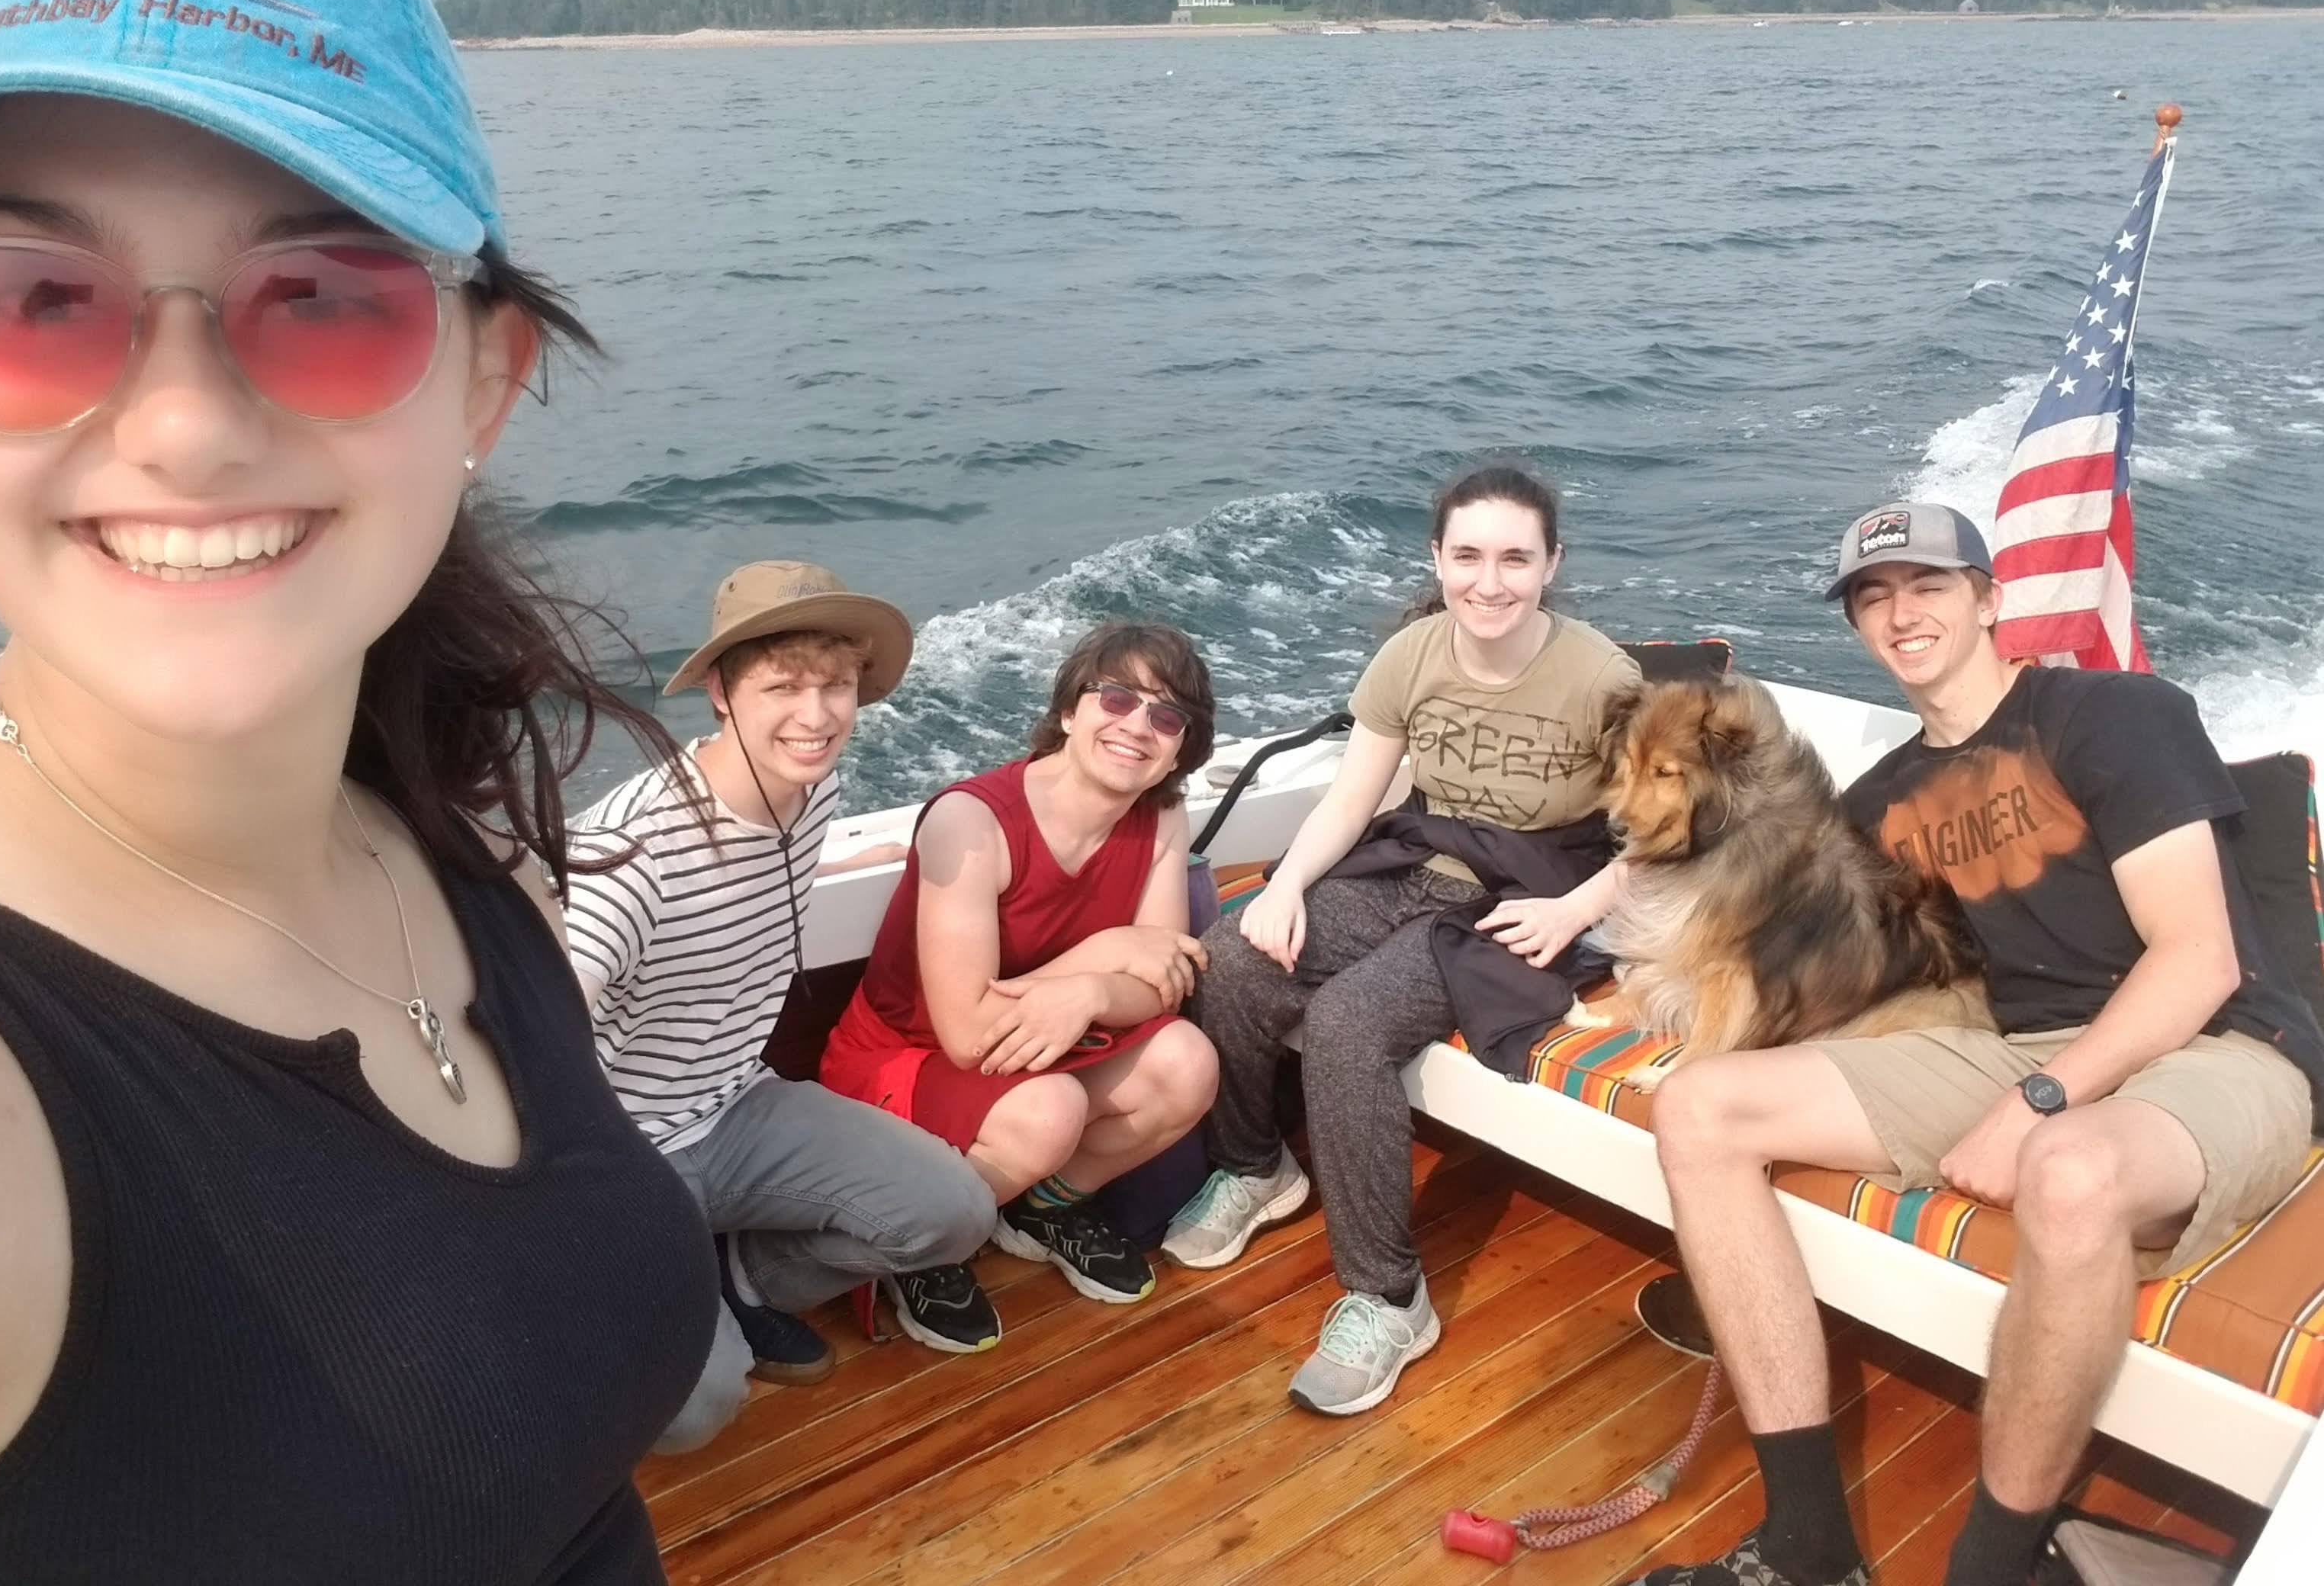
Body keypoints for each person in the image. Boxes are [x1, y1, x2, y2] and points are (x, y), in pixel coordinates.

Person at [0, 0, 719, 1583]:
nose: (179, 426)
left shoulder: (457, 862)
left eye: (324, 295)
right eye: (29, 298)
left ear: (485, 376)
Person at [1625, 502, 2324, 1586]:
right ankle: (1808, 1547)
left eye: (1927, 585)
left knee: (2073, 1167)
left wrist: (2040, 1100)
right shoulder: (1885, 798)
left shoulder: (2114, 715)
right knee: (1698, 1111)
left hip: (2222, 1042)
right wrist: (1591, 906)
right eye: (1873, 595)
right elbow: (1740, 864)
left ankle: (1988, 1569)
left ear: (1991, 599)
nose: (1899, 612)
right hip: (2020, 1043)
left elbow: (2199, 959)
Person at [1165, 464, 1641, 1416]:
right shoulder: (1413, 654)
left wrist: (1572, 915)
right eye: (1467, 555)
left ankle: (1387, 1298)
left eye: (1516, 557)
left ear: (1553, 564)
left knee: (1345, 1023)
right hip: (1415, 865)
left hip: (1526, 898)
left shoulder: (1605, 679)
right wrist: (1289, 884)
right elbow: (1354, 798)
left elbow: (1668, 836)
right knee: (1234, 958)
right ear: (1437, 558)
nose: (1489, 581)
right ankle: (1258, 1167)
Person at [565, 560, 996, 1443]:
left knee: (954, 1212)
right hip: (626, 1154)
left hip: (738, 1104)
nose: (817, 716)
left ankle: (746, 1280)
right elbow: (542, 1018)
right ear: (722, 691)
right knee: (694, 1414)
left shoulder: (812, 791)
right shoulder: (626, 856)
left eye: (836, 685)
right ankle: (666, 1294)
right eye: (785, 685)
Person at [820, 622, 1223, 1350]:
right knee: (1050, 1109)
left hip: (1046, 1034)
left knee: (1187, 1062)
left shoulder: (1160, 815)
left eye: (1167, 718)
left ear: (1179, 752)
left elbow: (1162, 985)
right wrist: (1103, 956)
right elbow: (967, 1034)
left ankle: (1041, 1206)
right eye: (1117, 699)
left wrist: (1094, 993)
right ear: (1071, 710)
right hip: (909, 1057)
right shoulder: (970, 821)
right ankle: (925, 1245)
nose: (1138, 727)